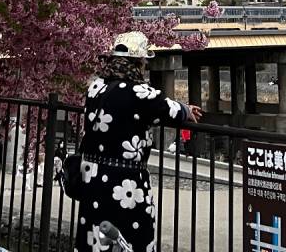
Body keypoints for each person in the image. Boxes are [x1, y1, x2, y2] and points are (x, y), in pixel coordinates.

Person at [70, 31, 203, 252]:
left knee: (94, 237)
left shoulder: (95, 87)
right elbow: (165, 108)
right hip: (124, 181)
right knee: (131, 236)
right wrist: (186, 110)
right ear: (139, 62)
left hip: (92, 177)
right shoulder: (139, 92)